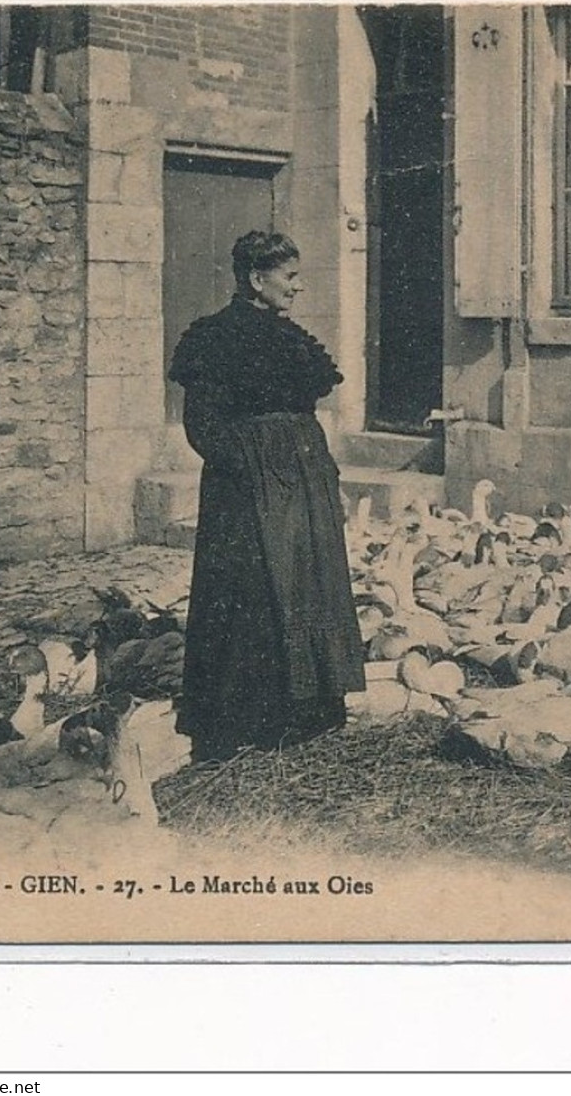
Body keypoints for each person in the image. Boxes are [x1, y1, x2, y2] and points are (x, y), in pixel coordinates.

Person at [168, 231, 366, 763]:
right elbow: (202, 426)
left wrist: (312, 468)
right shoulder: (213, 339)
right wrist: (251, 471)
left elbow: (304, 410)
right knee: (254, 587)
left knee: (308, 579)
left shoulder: (292, 341)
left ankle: (311, 708)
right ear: (257, 279)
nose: (298, 288)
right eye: (290, 277)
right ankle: (251, 716)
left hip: (303, 477)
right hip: (249, 486)